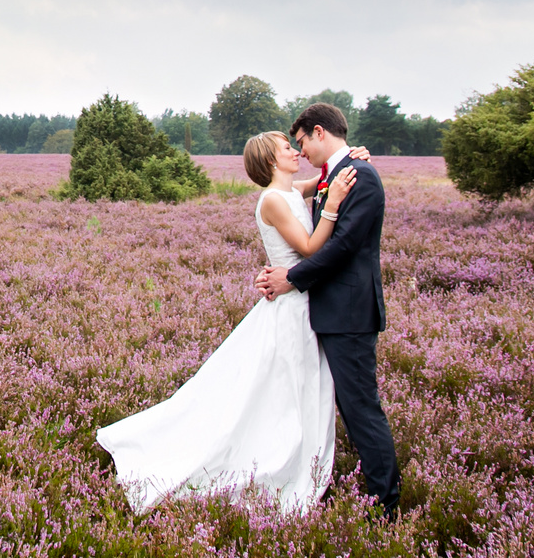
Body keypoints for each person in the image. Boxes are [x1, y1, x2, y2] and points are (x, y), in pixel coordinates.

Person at [95, 128, 364, 514]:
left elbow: (318, 182)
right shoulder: (272, 199)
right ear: (272, 160)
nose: (295, 150)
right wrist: (334, 204)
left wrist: (351, 157)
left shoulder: (289, 191)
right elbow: (308, 248)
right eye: (287, 148)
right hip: (290, 307)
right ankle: (274, 458)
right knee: (280, 387)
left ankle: (300, 450)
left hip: (299, 300)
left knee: (286, 386)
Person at [256, 103, 400, 518]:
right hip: (329, 312)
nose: (300, 152)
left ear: (319, 132)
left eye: (300, 141)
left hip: (349, 314)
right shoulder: (335, 176)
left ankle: (386, 506)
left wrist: (292, 278)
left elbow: (341, 249)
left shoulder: (360, 177)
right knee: (339, 406)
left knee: (360, 408)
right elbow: (291, 201)